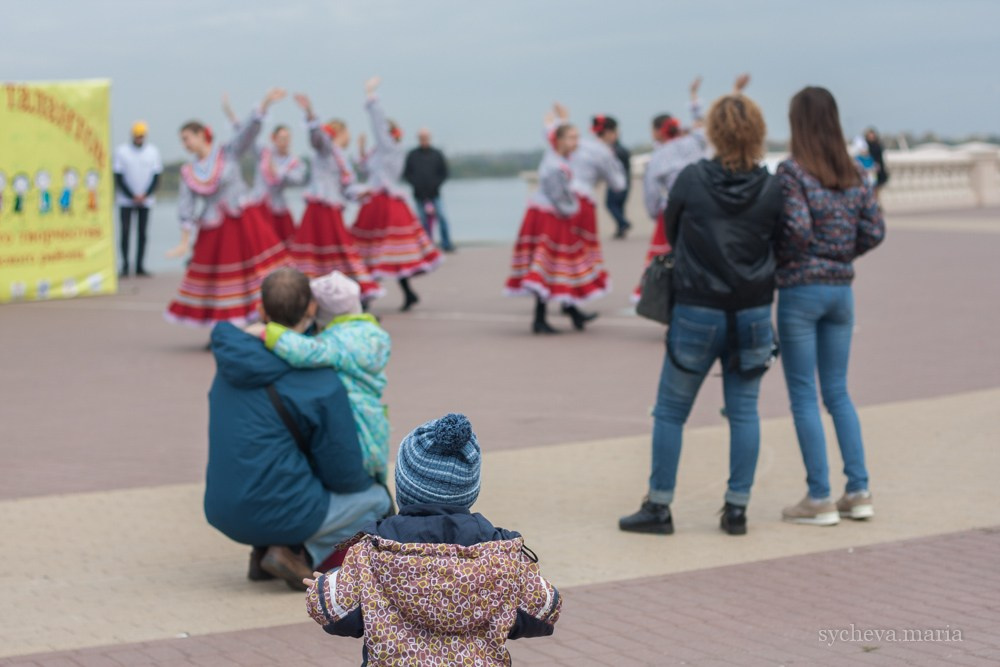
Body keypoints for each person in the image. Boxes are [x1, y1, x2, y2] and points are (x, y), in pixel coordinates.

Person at [619, 91, 782, 537]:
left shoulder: (692, 178)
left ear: (713, 132)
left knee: (671, 411)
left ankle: (659, 506)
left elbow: (670, 229)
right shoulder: (772, 185)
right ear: (757, 133)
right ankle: (736, 509)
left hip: (697, 308)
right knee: (744, 410)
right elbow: (780, 246)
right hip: (750, 311)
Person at [304, 413, 562, 666]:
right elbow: (544, 609)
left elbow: (336, 612)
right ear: (470, 490)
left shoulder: (374, 550)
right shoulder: (499, 553)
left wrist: (325, 586)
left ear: (403, 487)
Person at [207, 268, 392, 590]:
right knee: (376, 499)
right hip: (282, 511)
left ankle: (263, 550)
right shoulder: (319, 378)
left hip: (222, 509)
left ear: (261, 309)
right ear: (310, 309)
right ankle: (295, 552)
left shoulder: (229, 365)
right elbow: (344, 476)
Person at [776, 87, 886, 526]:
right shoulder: (855, 171)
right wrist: (842, 254)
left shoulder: (792, 172)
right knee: (838, 392)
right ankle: (858, 491)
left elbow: (798, 229)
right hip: (842, 291)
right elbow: (874, 230)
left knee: (804, 394)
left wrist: (791, 257)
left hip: (802, 290)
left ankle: (819, 496)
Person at [165, 89, 291, 327]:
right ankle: (223, 325)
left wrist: (263, 104)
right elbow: (186, 206)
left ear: (202, 135)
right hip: (214, 227)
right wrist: (184, 240)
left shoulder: (227, 153)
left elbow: (247, 132)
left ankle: (262, 317)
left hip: (243, 221)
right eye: (182, 140)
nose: (185, 144)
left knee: (253, 273)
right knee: (217, 280)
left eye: (187, 138)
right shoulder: (189, 171)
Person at [260, 270, 391, 483]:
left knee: (363, 465)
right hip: (374, 415)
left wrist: (271, 333)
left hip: (356, 419)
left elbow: (305, 351)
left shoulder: (335, 342)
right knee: (376, 467)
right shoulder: (372, 334)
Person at [633, 75, 749, 302]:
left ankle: (667, 300)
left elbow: (651, 192)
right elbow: (716, 121)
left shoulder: (658, 157)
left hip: (673, 210)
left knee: (668, 258)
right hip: (706, 204)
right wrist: (729, 92)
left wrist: (656, 212)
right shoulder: (695, 141)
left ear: (658, 131)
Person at [505, 107, 609, 333]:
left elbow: (552, 134)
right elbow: (559, 197)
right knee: (548, 263)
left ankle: (570, 311)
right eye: (572, 137)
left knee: (561, 263)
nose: (577, 142)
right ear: (560, 140)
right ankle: (542, 318)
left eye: (577, 137)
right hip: (549, 216)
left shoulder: (559, 156)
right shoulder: (554, 165)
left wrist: (560, 119)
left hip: (553, 214)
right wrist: (573, 209)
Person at [352, 77, 441, 311]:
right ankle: (405, 293)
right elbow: (367, 170)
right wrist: (361, 150)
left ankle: (367, 300)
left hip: (386, 204)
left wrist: (371, 97)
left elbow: (379, 125)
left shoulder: (392, 148)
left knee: (380, 252)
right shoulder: (380, 151)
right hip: (375, 201)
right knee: (376, 253)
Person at [287, 93, 383, 303]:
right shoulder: (326, 149)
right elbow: (317, 138)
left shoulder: (342, 158)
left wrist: (361, 192)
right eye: (347, 131)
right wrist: (310, 112)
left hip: (332, 210)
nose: (349, 135)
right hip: (320, 209)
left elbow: (347, 187)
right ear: (340, 132)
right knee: (326, 254)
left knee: (339, 254)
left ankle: (353, 298)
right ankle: (308, 298)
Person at [563, 106, 627, 326]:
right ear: (608, 133)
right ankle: (569, 303)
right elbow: (618, 184)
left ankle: (567, 303)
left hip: (563, 198)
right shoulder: (603, 151)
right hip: (582, 203)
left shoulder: (580, 145)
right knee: (577, 253)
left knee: (560, 252)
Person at [223, 93, 308, 244]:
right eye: (281, 138)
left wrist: (280, 173)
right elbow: (244, 135)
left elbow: (298, 179)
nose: (285, 142)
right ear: (273, 139)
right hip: (259, 204)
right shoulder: (264, 152)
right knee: (258, 243)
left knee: (284, 245)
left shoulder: (294, 162)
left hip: (279, 208)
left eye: (287, 138)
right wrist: (230, 113)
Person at [114, 121, 163, 277]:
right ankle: (125, 266)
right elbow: (118, 176)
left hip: (146, 200)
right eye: (136, 135)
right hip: (126, 200)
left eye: (141, 136)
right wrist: (132, 195)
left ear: (145, 136)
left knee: (142, 233)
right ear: (132, 135)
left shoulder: (153, 152)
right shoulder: (121, 151)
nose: (139, 138)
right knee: (125, 232)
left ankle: (140, 266)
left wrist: (145, 195)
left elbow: (156, 176)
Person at [404, 127, 455, 252]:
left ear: (429, 138)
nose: (424, 140)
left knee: (442, 217)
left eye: (426, 138)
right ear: (418, 139)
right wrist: (416, 184)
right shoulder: (412, 155)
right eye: (421, 138)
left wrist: (435, 184)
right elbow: (407, 174)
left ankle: (446, 243)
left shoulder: (437, 154)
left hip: (435, 193)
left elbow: (444, 173)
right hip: (419, 194)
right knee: (422, 221)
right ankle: (425, 245)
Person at [605, 122, 633, 239]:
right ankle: (621, 228)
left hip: (618, 183)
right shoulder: (621, 149)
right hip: (625, 181)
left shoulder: (615, 151)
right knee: (619, 206)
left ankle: (623, 223)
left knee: (611, 204)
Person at [865, 127, 890, 195]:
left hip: (879, 168)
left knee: (878, 187)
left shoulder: (878, 144)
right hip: (871, 168)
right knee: (872, 186)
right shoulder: (866, 145)